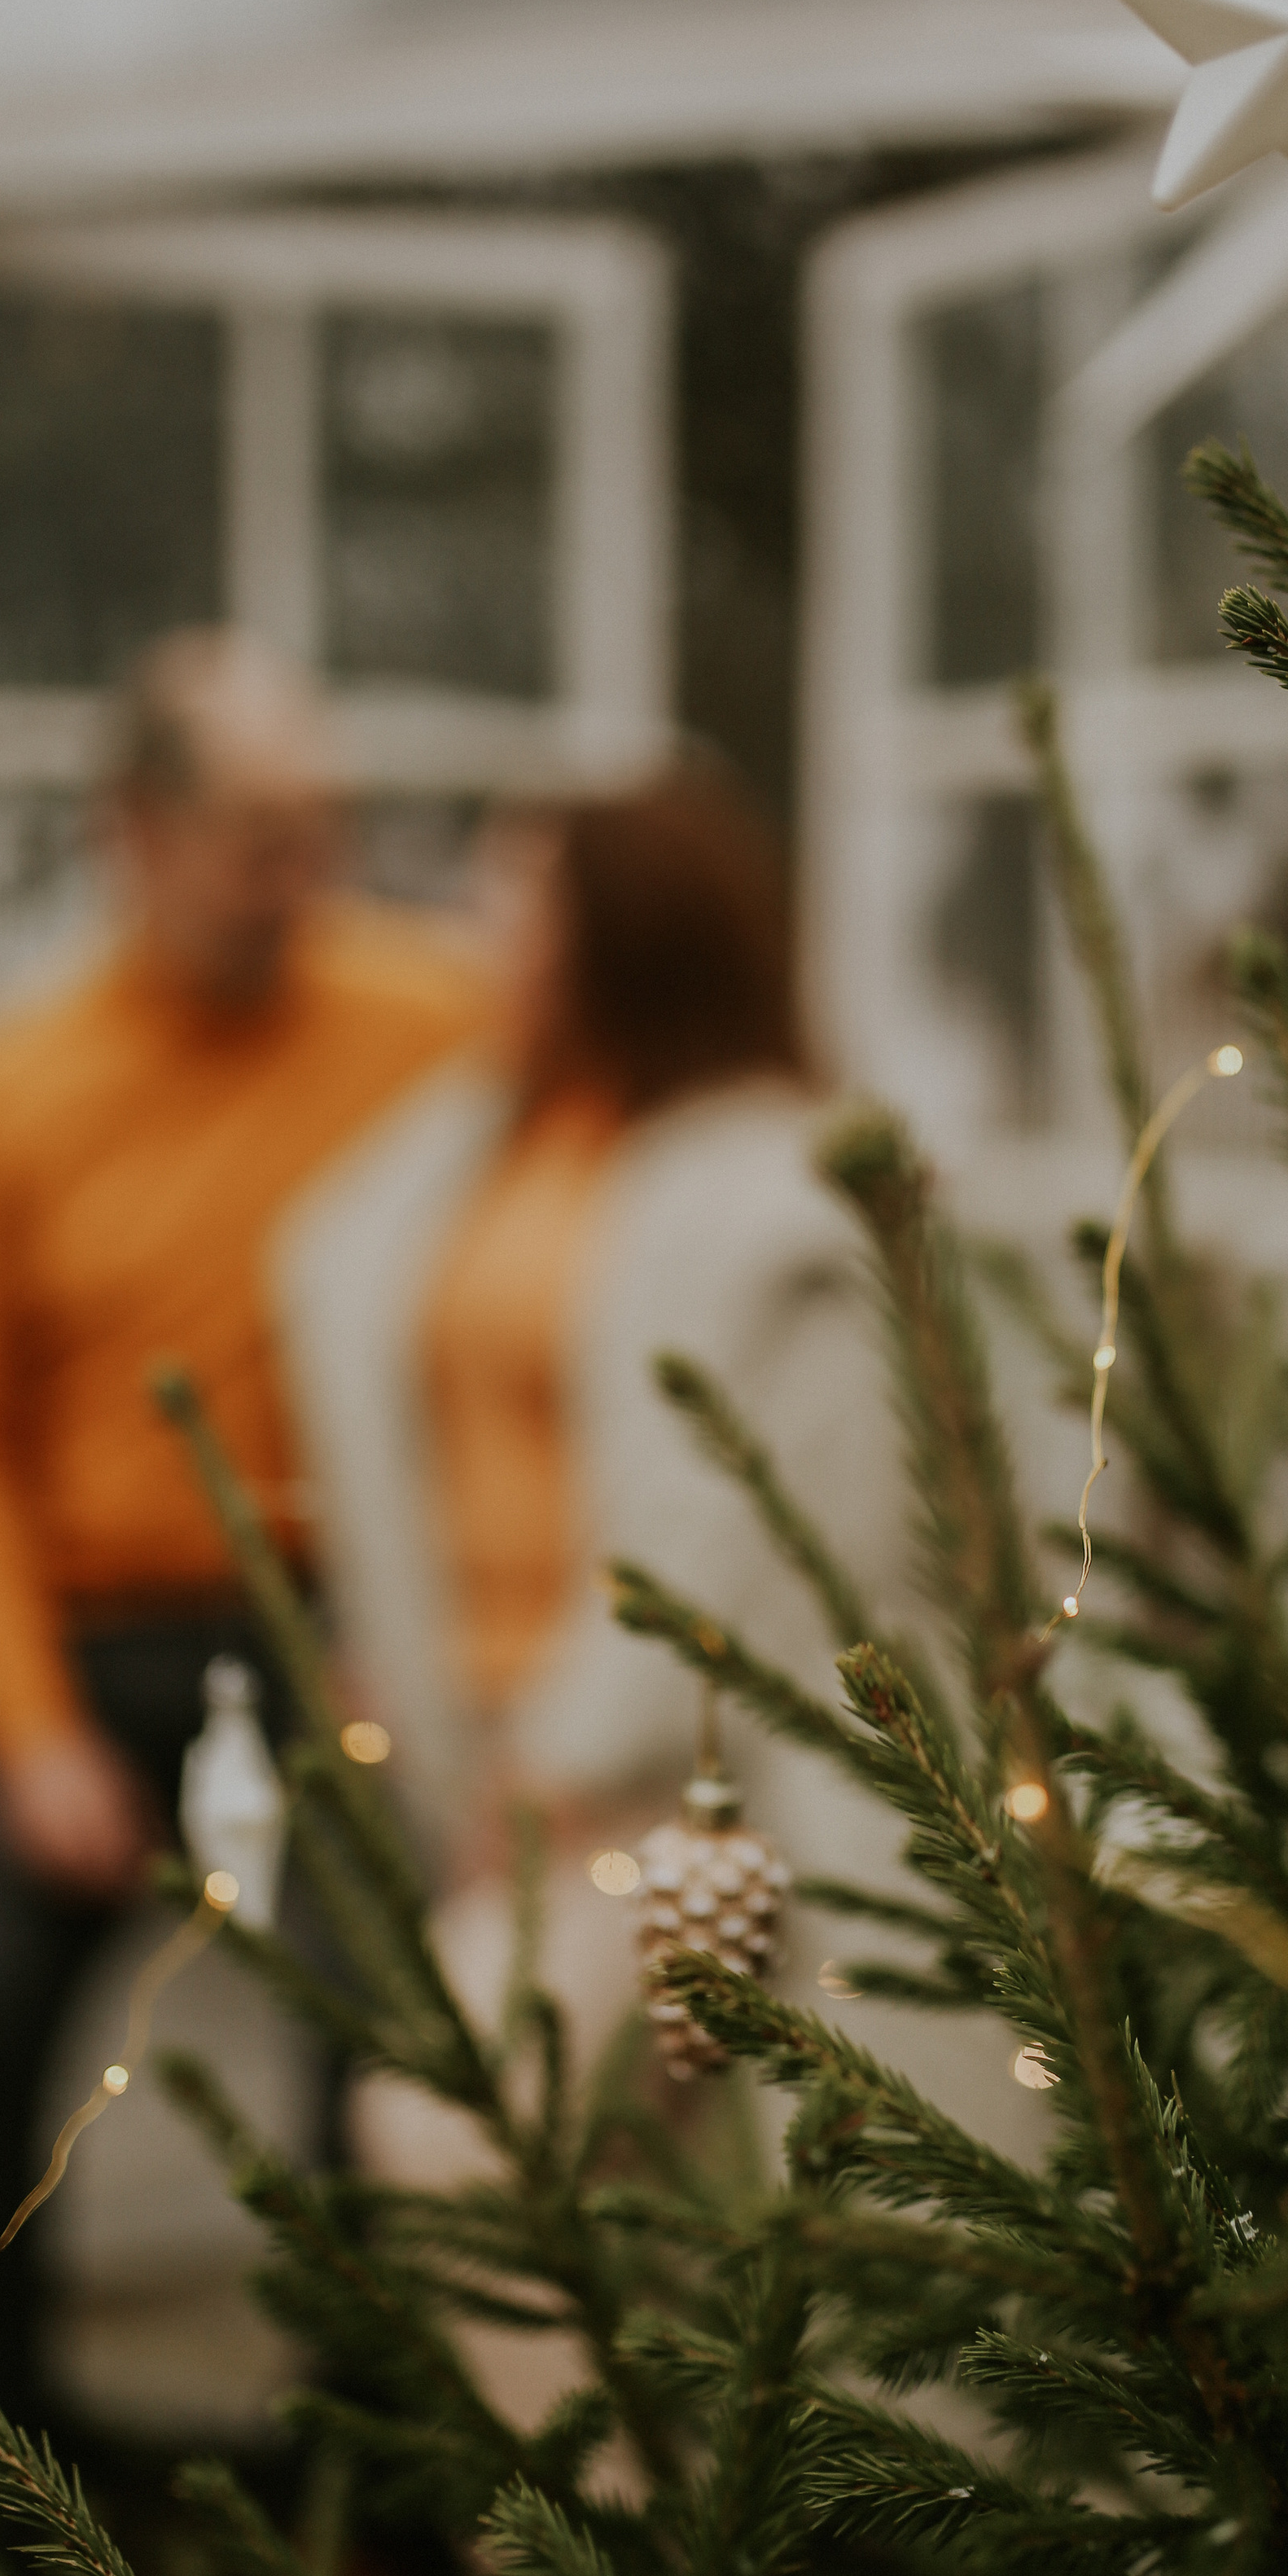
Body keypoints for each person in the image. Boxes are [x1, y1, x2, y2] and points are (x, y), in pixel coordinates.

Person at [0, 628, 486, 2432]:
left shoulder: (433, 1018)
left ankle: (384, 2483)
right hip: (87, 1646)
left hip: (336, 1630)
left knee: (375, 2057)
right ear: (128, 835)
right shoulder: (7, 1082)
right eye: (252, 832)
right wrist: (28, 1727)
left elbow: (499, 1316)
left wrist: (438, 1618)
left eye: (318, 827)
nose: (294, 874)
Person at [274, 768, 986, 2249]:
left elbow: (736, 1514)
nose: (481, 937)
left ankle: (597, 2487)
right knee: (584, 2191)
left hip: (670, 1781)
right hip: (468, 1745)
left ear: (619, 933)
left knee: (456, 2129)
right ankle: (619, 2469)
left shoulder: (756, 1182)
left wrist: (570, 1759)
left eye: (512, 901)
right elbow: (399, 1411)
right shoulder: (478, 1142)